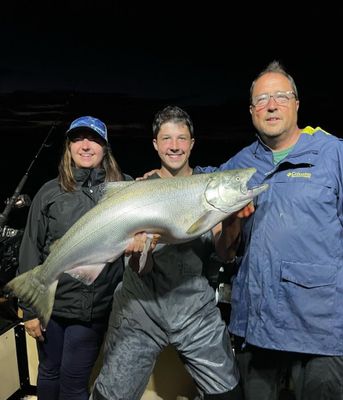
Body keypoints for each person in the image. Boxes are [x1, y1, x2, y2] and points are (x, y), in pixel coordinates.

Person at [195, 60, 343, 400]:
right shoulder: (239, 166)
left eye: (280, 96)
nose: (271, 105)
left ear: (296, 104)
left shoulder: (333, 154)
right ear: (251, 111)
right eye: (262, 100)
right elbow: (223, 251)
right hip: (256, 329)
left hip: (320, 333)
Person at [90, 106, 250, 400]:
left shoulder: (209, 186)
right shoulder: (140, 190)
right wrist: (140, 251)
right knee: (110, 394)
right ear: (155, 144)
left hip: (193, 309)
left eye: (181, 138)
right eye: (166, 139)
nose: (174, 146)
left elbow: (225, 253)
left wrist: (233, 221)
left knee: (228, 393)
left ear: (192, 143)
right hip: (139, 309)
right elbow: (139, 268)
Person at [18, 116, 132, 400]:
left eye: (93, 139)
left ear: (105, 148)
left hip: (93, 309)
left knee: (73, 383)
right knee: (48, 372)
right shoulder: (49, 192)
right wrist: (30, 311)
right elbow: (31, 249)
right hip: (51, 308)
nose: (85, 145)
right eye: (78, 139)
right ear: (68, 147)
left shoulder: (124, 189)